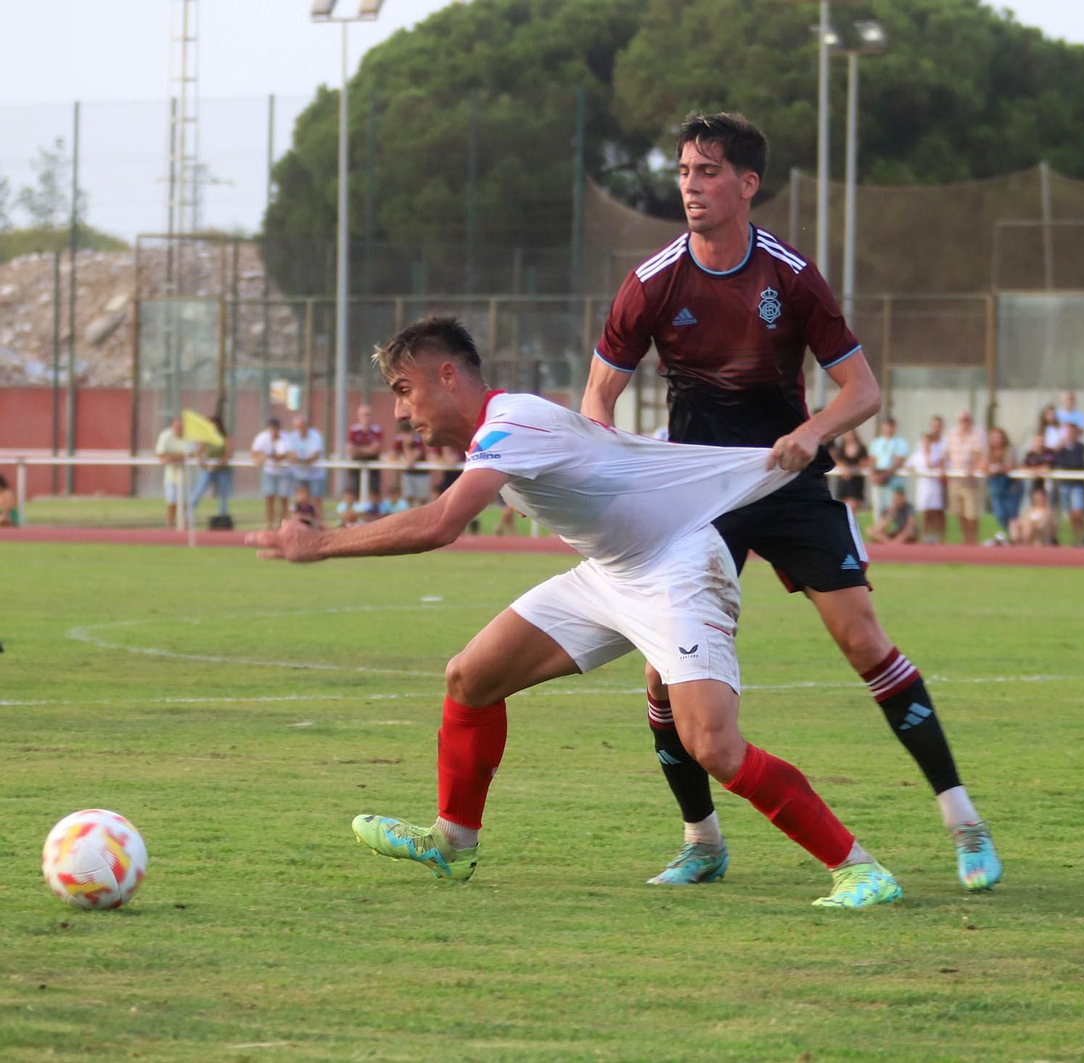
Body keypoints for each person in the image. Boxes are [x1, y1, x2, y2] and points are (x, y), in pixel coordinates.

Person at [249, 315, 902, 908]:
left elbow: (442, 522)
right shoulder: (501, 433)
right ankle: (453, 842)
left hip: (677, 567)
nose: (400, 410)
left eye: (403, 388)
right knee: (469, 677)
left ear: (447, 375)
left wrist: (321, 542)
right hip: (613, 573)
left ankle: (860, 867)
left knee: (712, 742)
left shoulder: (513, 423)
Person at [578, 112, 999, 891]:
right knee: (662, 677)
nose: (691, 185)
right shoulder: (651, 281)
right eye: (683, 171)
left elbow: (862, 390)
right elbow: (598, 398)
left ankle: (963, 822)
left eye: (707, 171)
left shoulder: (790, 276)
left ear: (747, 184)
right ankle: (701, 840)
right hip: (699, 497)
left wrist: (811, 433)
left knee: (864, 639)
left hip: (787, 481)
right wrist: (619, 473)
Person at [944, 410, 985, 545]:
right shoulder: (952, 435)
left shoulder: (976, 435)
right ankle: (965, 538)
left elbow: (979, 457)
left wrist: (973, 468)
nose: (964, 423)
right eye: (962, 420)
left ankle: (973, 539)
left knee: (971, 513)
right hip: (955, 479)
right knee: (959, 512)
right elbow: (946, 455)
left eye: (967, 420)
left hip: (970, 481)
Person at [188, 415, 234, 525]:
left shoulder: (225, 437)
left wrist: (217, 464)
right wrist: (204, 463)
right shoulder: (205, 438)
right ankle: (187, 515)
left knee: (223, 495)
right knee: (198, 491)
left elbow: (228, 454)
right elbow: (198, 454)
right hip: (207, 470)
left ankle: (223, 519)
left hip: (223, 470)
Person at [282, 414, 327, 524]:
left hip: (316, 474)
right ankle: (299, 524)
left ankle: (318, 524)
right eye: (297, 426)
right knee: (299, 500)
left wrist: (301, 460)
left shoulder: (315, 436)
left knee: (316, 500)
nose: (299, 429)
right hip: (299, 474)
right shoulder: (292, 437)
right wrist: (303, 460)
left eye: (301, 426)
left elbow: (315, 455)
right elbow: (290, 454)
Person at [1053, 421, 1084, 546]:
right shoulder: (1060, 448)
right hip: (1065, 484)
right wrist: (1057, 449)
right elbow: (1056, 461)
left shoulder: (1081, 447)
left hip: (1077, 484)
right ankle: (1078, 539)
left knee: (1078, 513)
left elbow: (1075, 462)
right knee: (1071, 515)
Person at [909, 422, 948, 544]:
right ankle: (925, 537)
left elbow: (942, 466)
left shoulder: (937, 455)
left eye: (928, 441)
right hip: (923, 487)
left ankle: (940, 537)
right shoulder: (917, 455)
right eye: (924, 441)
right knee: (925, 513)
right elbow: (908, 466)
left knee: (937, 512)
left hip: (935, 487)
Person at [866, 417, 911, 520]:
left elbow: (898, 462)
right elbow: (872, 460)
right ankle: (878, 533)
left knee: (893, 511)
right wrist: (873, 474)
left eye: (890, 426)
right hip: (879, 479)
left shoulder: (901, 443)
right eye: (886, 426)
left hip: (893, 480)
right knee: (878, 509)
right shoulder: (876, 443)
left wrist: (884, 475)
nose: (888, 429)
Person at [982, 427, 1019, 546]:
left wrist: (999, 469)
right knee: (999, 513)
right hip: (995, 487)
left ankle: (1014, 538)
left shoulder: (1009, 450)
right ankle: (1009, 536)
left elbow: (1012, 465)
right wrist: (990, 469)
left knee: (1011, 514)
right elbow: (983, 465)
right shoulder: (988, 451)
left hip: (1009, 485)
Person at [252, 418, 292, 527]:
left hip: (284, 472)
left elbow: (291, 454)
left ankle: (282, 524)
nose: (274, 432)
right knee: (269, 497)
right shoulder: (262, 438)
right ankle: (269, 524)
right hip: (269, 471)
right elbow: (255, 453)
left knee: (284, 498)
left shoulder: (286, 438)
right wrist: (262, 457)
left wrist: (280, 457)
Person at [154, 415, 191, 529]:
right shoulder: (165, 436)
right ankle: (169, 526)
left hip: (186, 476)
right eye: (177, 427)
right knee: (171, 501)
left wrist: (172, 457)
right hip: (170, 475)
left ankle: (185, 527)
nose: (179, 429)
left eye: (181, 427)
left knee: (185, 503)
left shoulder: (189, 437)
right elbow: (161, 455)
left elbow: (188, 454)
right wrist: (177, 456)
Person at [346, 404, 385, 497]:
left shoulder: (376, 430)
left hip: (373, 465)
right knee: (355, 491)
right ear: (358, 416)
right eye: (363, 415)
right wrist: (367, 449)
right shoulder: (353, 430)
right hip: (356, 465)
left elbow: (376, 450)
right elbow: (350, 449)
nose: (366, 417)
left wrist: (358, 449)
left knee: (374, 491)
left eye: (368, 414)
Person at [829, 428, 868, 516]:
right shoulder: (841, 449)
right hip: (845, 481)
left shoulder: (861, 448)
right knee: (844, 508)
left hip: (855, 481)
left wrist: (857, 467)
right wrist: (844, 468)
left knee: (852, 508)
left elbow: (864, 461)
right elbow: (837, 460)